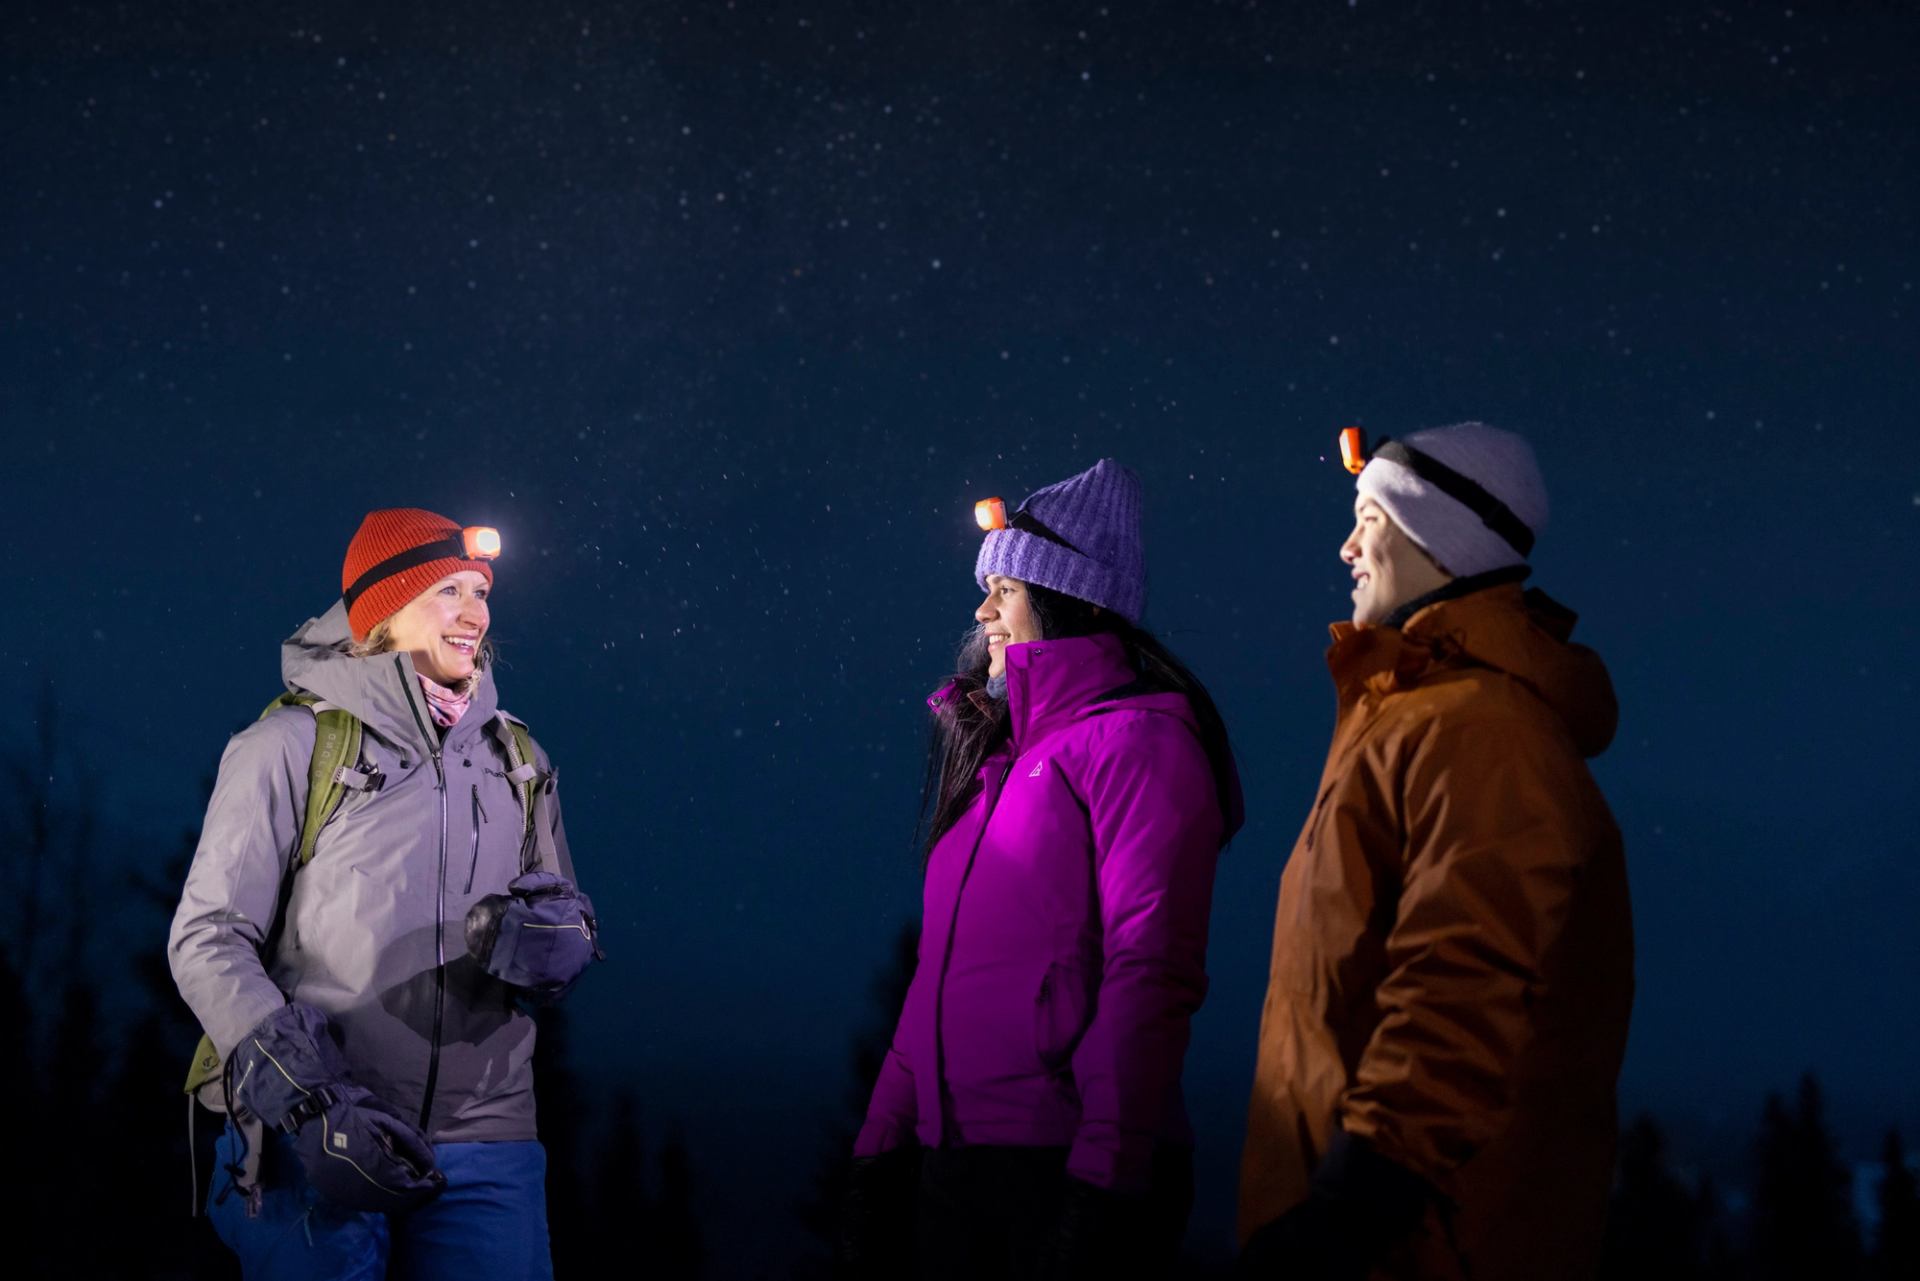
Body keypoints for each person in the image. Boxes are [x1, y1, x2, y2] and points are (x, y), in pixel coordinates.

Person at [1236, 423, 1634, 1281]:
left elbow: (1463, 986)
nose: (1346, 548)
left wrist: (1351, 1204)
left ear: (1440, 537)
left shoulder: (1483, 728)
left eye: (1368, 519)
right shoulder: (1409, 714)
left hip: (1418, 1246)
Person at [169, 507, 599, 1281]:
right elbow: (208, 936)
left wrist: (560, 941)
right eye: (447, 591)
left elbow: (560, 905)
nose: (476, 613)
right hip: (323, 1133)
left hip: (487, 1142)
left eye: (480, 591)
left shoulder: (519, 758)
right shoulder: (291, 745)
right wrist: (306, 1098)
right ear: (384, 611)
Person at [842, 459, 1243, 1280]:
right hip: (958, 1161)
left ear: (1075, 598)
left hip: (1063, 1164)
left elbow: (1149, 969)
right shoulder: (996, 763)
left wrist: (1104, 1178)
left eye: (1007, 590)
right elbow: (937, 979)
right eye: (985, 590)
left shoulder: (1139, 742)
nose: (983, 611)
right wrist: (881, 1143)